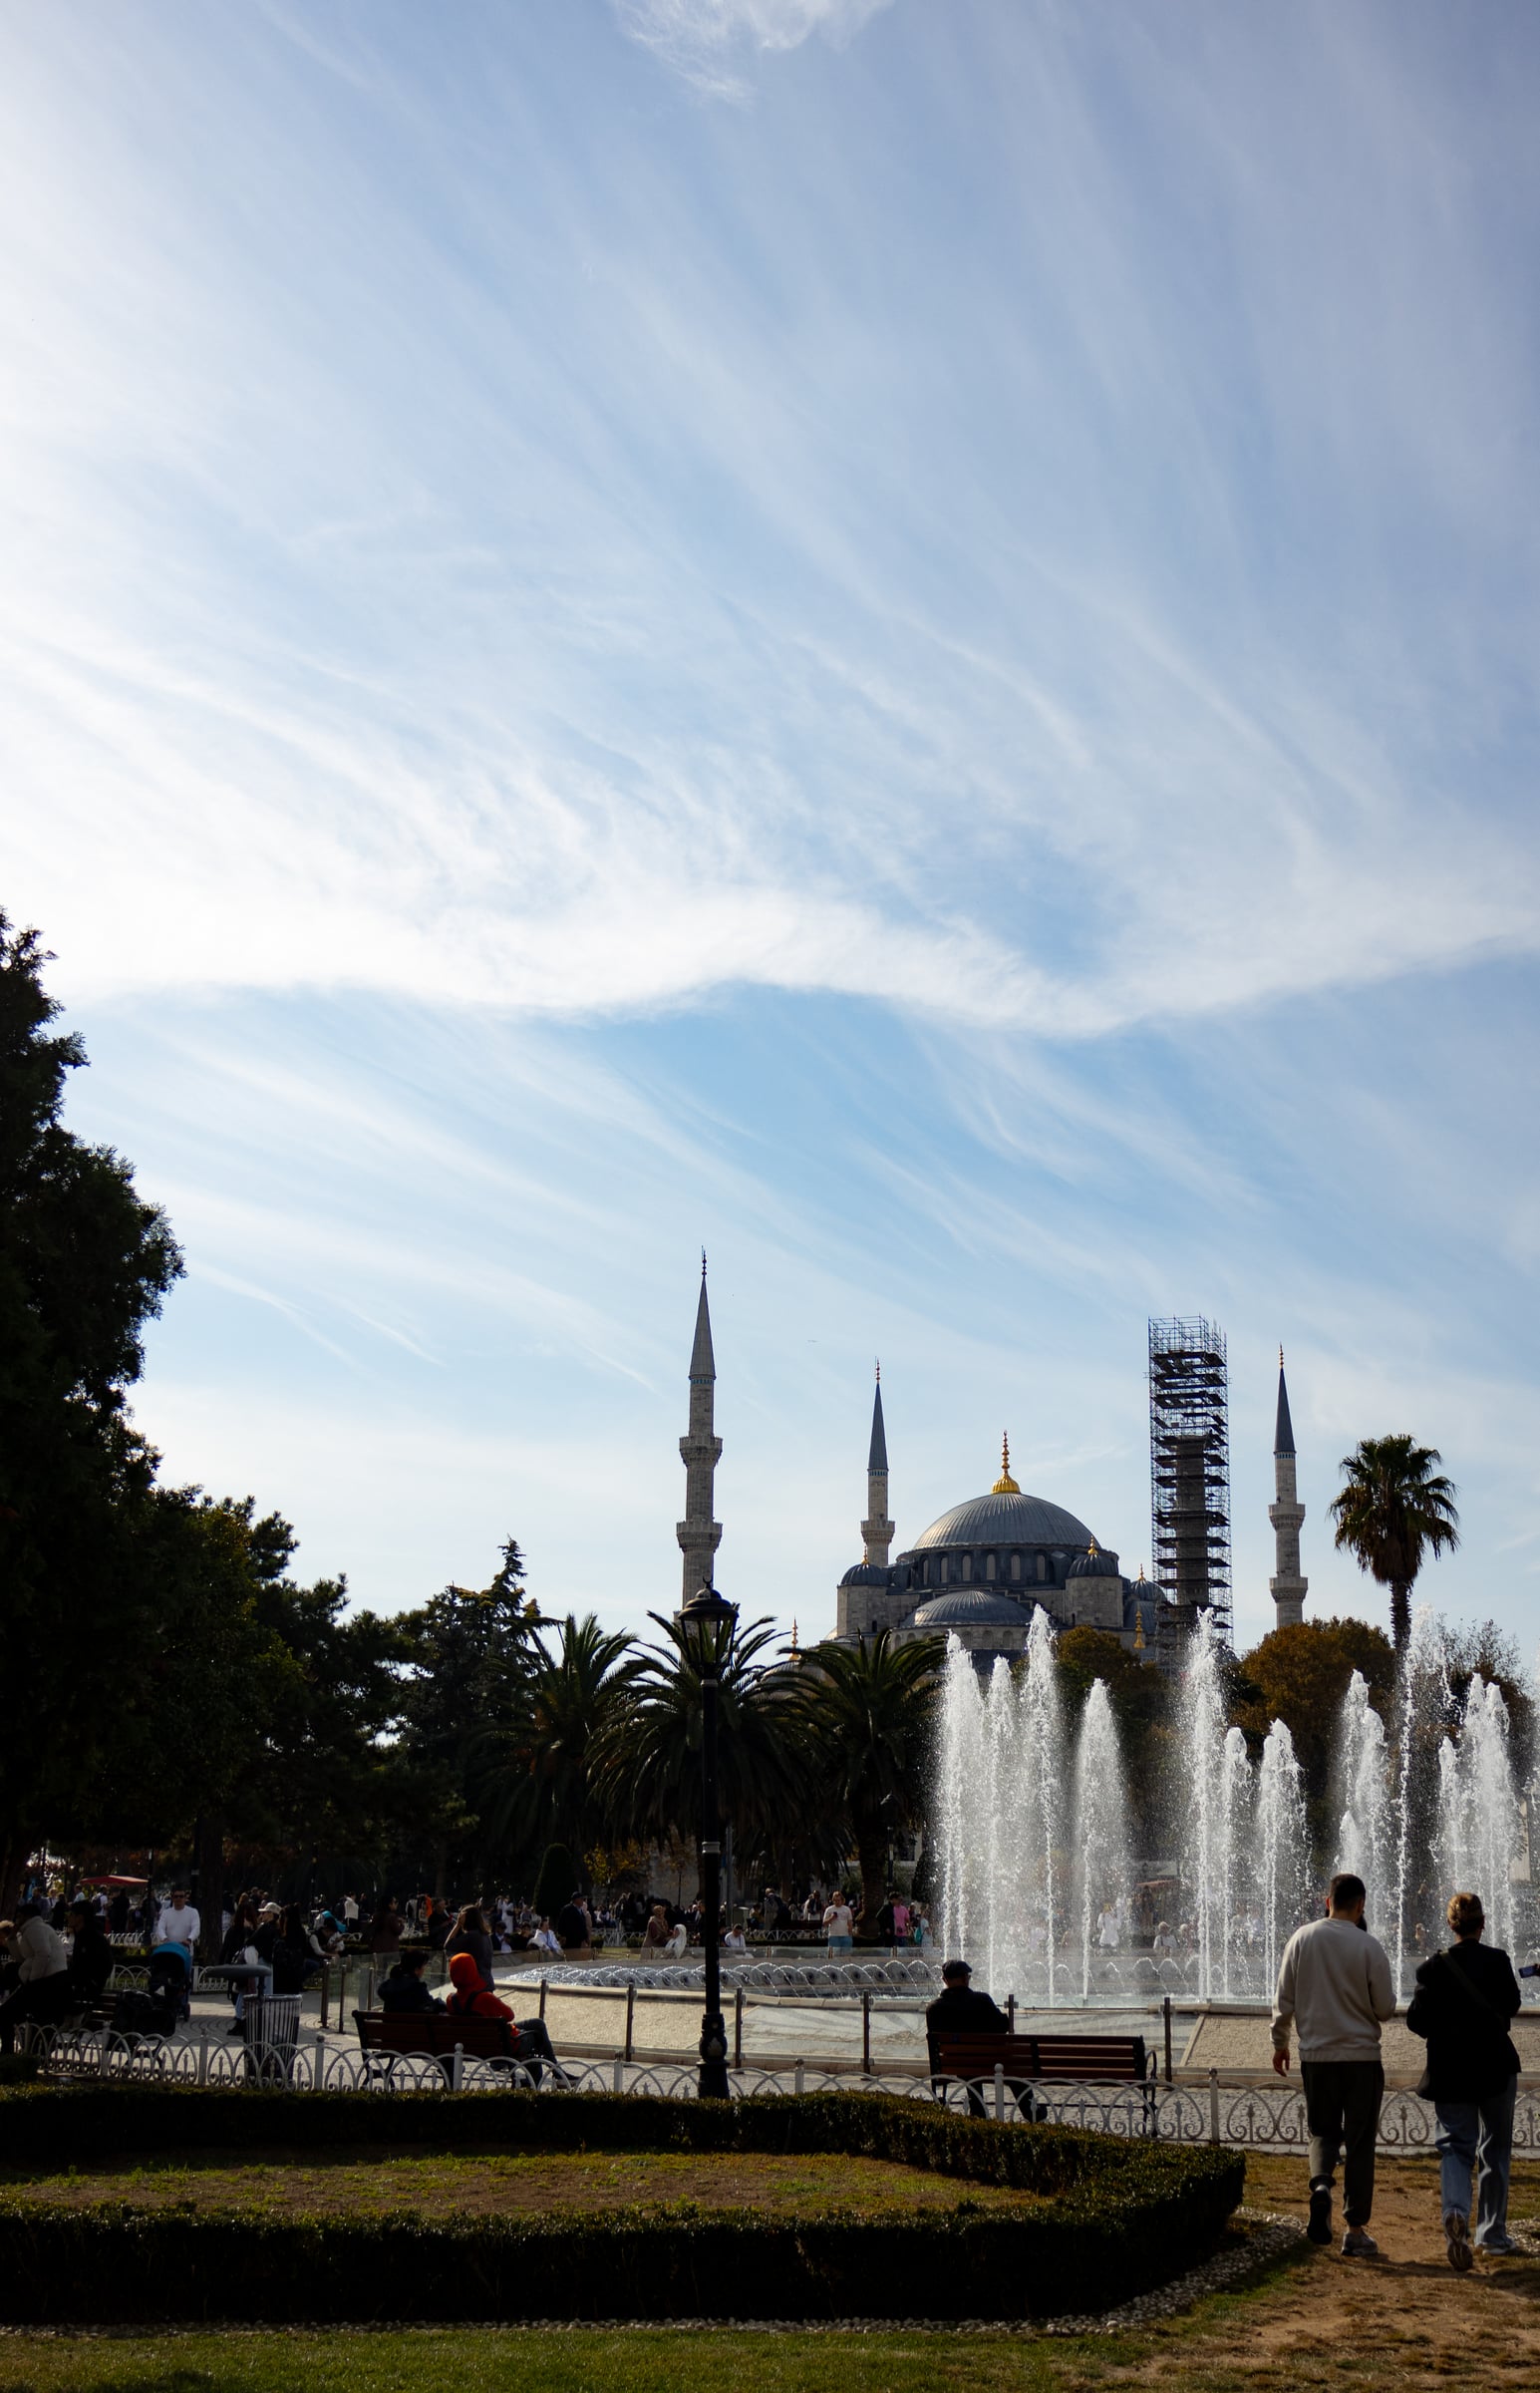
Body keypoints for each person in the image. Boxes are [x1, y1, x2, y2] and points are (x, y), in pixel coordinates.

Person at [1272, 1872, 1395, 2258]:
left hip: (1317, 2057)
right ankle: (1355, 2230)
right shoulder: (1369, 1946)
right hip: (1361, 2059)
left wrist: (1280, 2043)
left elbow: (1283, 2000)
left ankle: (1321, 2184)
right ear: (1360, 1906)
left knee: (1322, 2132)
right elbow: (1385, 2008)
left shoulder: (1301, 1939)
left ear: (1328, 1902)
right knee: (1359, 2143)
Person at [1406, 1890, 1524, 2265]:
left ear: (1450, 1924)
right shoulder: (1498, 1960)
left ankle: (1455, 2211)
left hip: (1450, 2070)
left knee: (1456, 2147)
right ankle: (1492, 2235)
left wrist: (1446, 2031)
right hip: (1495, 2066)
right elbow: (1512, 2005)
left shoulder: (1433, 1968)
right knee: (1495, 2149)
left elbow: (1416, 2020)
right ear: (1482, 1923)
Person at [444, 1952, 567, 2085]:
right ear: (472, 1971)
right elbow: (509, 2015)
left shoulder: (451, 2000)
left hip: (470, 2046)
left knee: (537, 2023)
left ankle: (555, 2073)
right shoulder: (484, 1998)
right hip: (505, 2045)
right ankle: (557, 2072)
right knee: (539, 2027)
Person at [925, 1958, 1012, 2119]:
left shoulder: (934, 2008)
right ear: (965, 1978)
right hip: (989, 2062)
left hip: (953, 2064)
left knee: (967, 2063)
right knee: (1013, 2069)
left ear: (944, 1980)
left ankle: (977, 2110)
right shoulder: (982, 2000)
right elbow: (1002, 2026)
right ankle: (1031, 2110)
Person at [0, 1903, 72, 2053]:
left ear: (25, 1916)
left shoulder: (35, 1928)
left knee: (5, 2014)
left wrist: (33, 1980)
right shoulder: (28, 1931)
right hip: (44, 1982)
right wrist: (12, 1938)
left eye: (19, 1916)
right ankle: (12, 2053)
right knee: (8, 2014)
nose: (16, 1920)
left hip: (47, 1982)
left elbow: (43, 1954)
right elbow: (21, 1958)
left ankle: (7, 2054)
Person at [66, 1899, 114, 2009]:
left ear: (80, 1917)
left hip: (86, 1990)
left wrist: (91, 1982)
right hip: (81, 1987)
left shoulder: (92, 1937)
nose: (68, 1917)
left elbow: (103, 1964)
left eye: (71, 1914)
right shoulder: (81, 1934)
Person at [379, 1952, 445, 2015]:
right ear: (416, 1970)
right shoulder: (418, 1988)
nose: (424, 1969)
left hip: (390, 2023)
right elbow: (431, 2006)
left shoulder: (389, 1986)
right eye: (423, 1966)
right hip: (411, 2023)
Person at [444, 1904, 494, 1983]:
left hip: (475, 1983)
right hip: (487, 1980)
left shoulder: (471, 1935)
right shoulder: (486, 1935)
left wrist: (457, 1925)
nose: (459, 1917)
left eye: (461, 1916)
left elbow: (448, 1945)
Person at [154, 1886, 200, 1950]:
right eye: (176, 1896)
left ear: (185, 1898)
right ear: (172, 1898)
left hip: (186, 1950)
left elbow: (196, 1929)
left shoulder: (193, 1912)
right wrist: (164, 1938)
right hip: (169, 1949)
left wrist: (189, 1939)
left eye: (181, 1896)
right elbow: (160, 1928)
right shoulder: (166, 1913)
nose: (178, 1898)